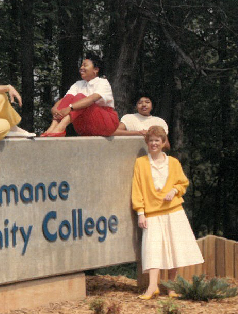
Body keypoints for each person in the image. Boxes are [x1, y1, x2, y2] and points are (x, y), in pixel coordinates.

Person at [131, 125, 204, 299]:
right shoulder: (141, 163)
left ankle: (171, 287)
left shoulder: (173, 162)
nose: (154, 143)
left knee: (174, 248)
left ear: (164, 142)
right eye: (151, 140)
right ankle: (152, 287)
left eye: (157, 140)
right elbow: (137, 188)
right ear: (147, 142)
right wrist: (140, 212)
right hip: (152, 212)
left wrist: (174, 190)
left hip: (174, 212)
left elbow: (182, 183)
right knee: (153, 249)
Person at [40, 55, 118, 137]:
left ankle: (61, 127)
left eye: (85, 65)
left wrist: (70, 108)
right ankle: (53, 127)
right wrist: (55, 108)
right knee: (70, 97)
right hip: (85, 126)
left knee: (80, 97)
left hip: (106, 124)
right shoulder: (78, 84)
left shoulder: (102, 82)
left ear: (96, 69)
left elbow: (91, 99)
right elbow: (66, 99)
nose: (81, 68)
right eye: (81, 65)